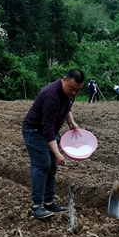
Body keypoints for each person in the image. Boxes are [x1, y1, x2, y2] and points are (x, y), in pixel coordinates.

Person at [21, 69, 85, 219]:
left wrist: (72, 123)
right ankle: (37, 206)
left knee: (51, 167)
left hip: (48, 131)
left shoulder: (69, 94)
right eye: (72, 88)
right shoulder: (52, 96)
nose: (75, 92)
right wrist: (57, 153)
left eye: (78, 90)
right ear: (64, 80)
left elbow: (68, 108)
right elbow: (47, 128)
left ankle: (49, 203)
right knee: (43, 165)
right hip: (35, 131)